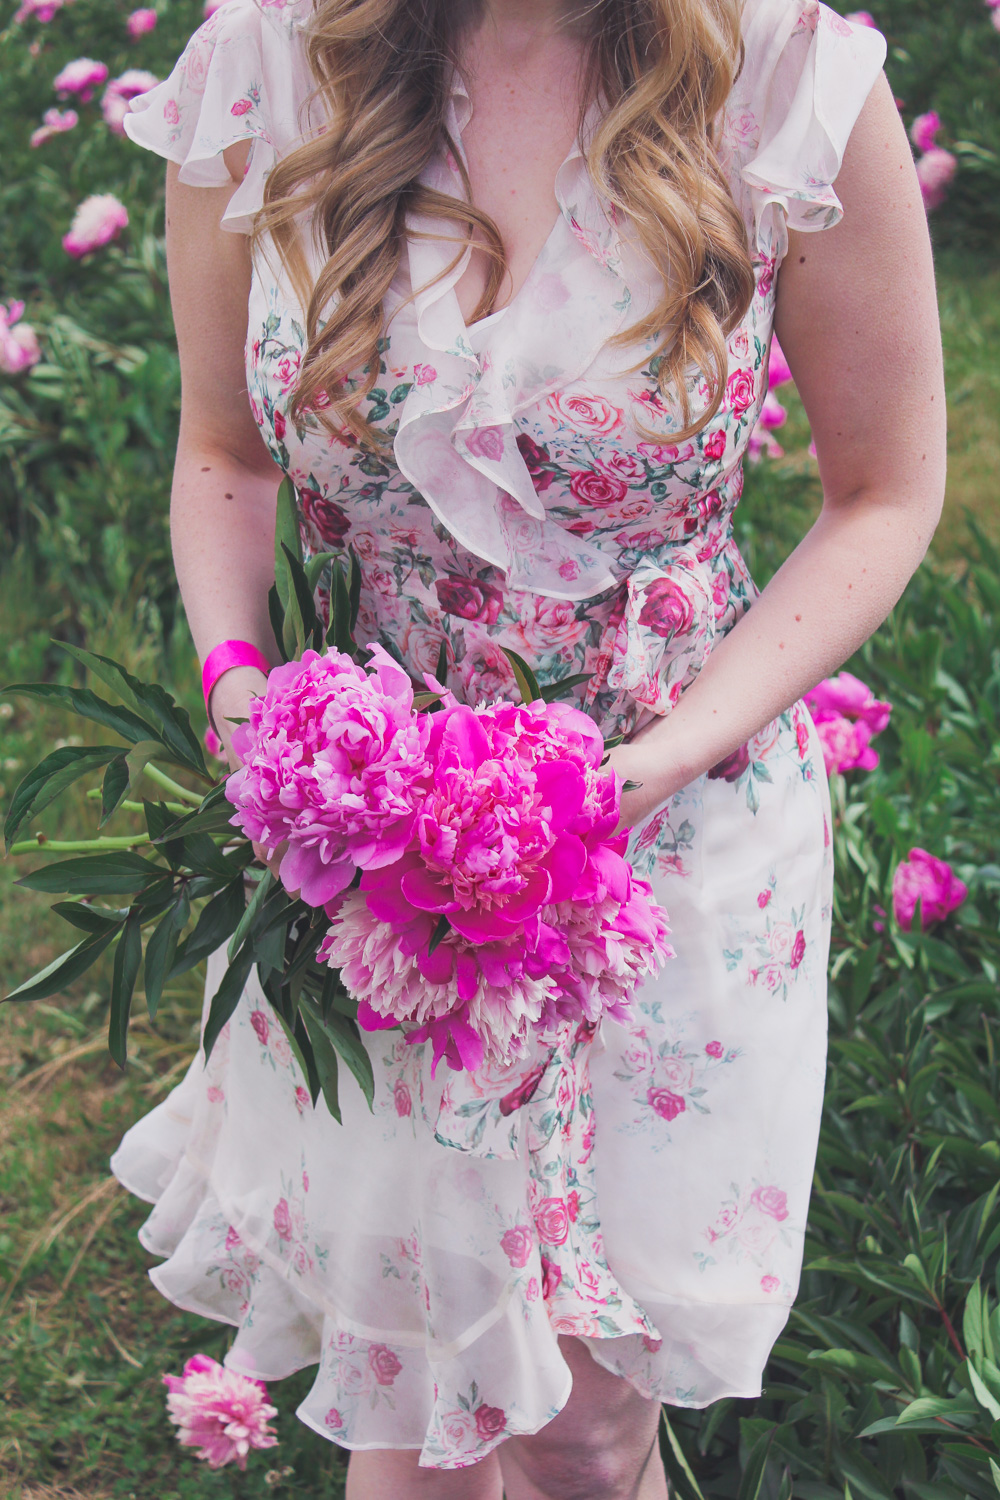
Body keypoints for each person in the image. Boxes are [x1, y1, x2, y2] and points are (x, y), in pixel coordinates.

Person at [109, 0, 945, 1493]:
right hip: (376, 849)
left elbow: (885, 490)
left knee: (594, 1418)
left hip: (672, 824)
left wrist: (661, 760)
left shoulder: (793, 79)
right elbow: (224, 447)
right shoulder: (267, 61)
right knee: (414, 1381)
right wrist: (247, 698)